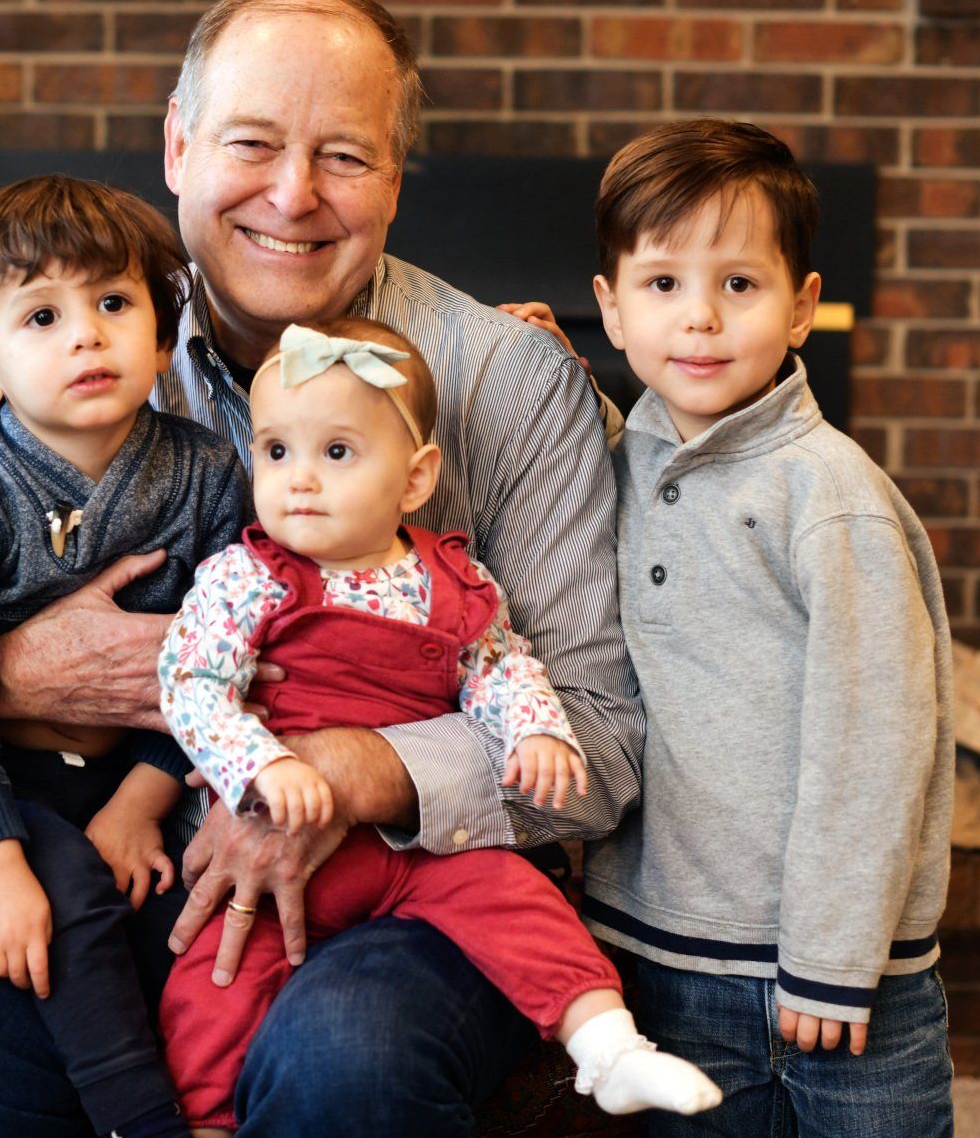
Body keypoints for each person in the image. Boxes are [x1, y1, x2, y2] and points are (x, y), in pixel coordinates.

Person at [0, 0, 642, 1137]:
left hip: (401, 887)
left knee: (345, 1051)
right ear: (177, 146)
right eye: (252, 143)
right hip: (119, 858)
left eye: (344, 157)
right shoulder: (71, 340)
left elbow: (601, 736)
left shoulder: (509, 384)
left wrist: (341, 771)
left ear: (395, 183)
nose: (293, 195)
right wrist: (9, 673)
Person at [155, 318, 721, 1133]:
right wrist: (260, 765)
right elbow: (192, 684)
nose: (299, 479)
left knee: (520, 903)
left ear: (416, 478)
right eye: (276, 451)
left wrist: (535, 733)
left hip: (420, 849)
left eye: (336, 452)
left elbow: (499, 667)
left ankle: (609, 1048)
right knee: (214, 980)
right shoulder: (246, 577)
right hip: (279, 863)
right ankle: (205, 1121)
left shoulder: (449, 578)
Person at [520, 118, 957, 1136]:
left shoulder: (828, 496)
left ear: (803, 308)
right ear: (612, 309)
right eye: (662, 284)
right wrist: (552, 378)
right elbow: (639, 463)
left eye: (740, 284)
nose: (700, 318)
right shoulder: (630, 459)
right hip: (663, 949)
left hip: (834, 973)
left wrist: (834, 956)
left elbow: (876, 741)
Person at [0, 174, 247, 1138]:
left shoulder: (204, 476)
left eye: (113, 304)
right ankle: (139, 1119)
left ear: (162, 339)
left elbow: (221, 661)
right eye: (41, 316)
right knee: (66, 885)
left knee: (172, 916)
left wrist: (139, 803)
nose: (85, 336)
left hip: (109, 790)